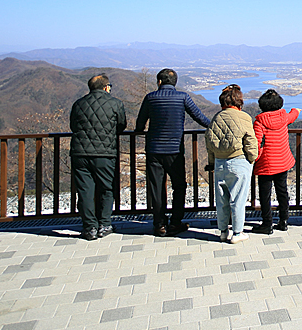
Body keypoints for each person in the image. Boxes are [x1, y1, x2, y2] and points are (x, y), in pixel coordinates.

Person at [136, 68, 211, 237]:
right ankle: (176, 222)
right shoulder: (182, 97)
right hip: (175, 151)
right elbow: (199, 117)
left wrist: (140, 129)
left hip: (154, 150)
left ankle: (159, 225)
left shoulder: (150, 98)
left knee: (156, 188)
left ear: (159, 82)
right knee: (179, 186)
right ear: (175, 83)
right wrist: (216, 126)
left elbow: (140, 124)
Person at [69, 74, 127, 240]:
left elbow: (73, 126)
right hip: (105, 152)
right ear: (106, 87)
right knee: (107, 188)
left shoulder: (79, 103)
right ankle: (105, 224)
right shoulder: (115, 103)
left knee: (85, 191)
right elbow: (121, 125)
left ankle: (90, 228)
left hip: (80, 153)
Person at [206, 84, 258, 243]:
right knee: (238, 199)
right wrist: (252, 158)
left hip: (220, 162)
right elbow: (250, 141)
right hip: (239, 161)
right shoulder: (244, 117)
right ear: (239, 102)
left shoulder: (216, 117)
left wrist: (212, 161)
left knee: (221, 200)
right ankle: (237, 233)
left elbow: (209, 141)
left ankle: (222, 231)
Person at [251, 89, 300, 235]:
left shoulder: (259, 122)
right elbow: (293, 115)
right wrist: (296, 110)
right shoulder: (283, 117)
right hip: (282, 162)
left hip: (266, 164)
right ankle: (284, 221)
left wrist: (255, 159)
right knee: (282, 191)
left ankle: (267, 224)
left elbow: (257, 144)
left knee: (265, 194)